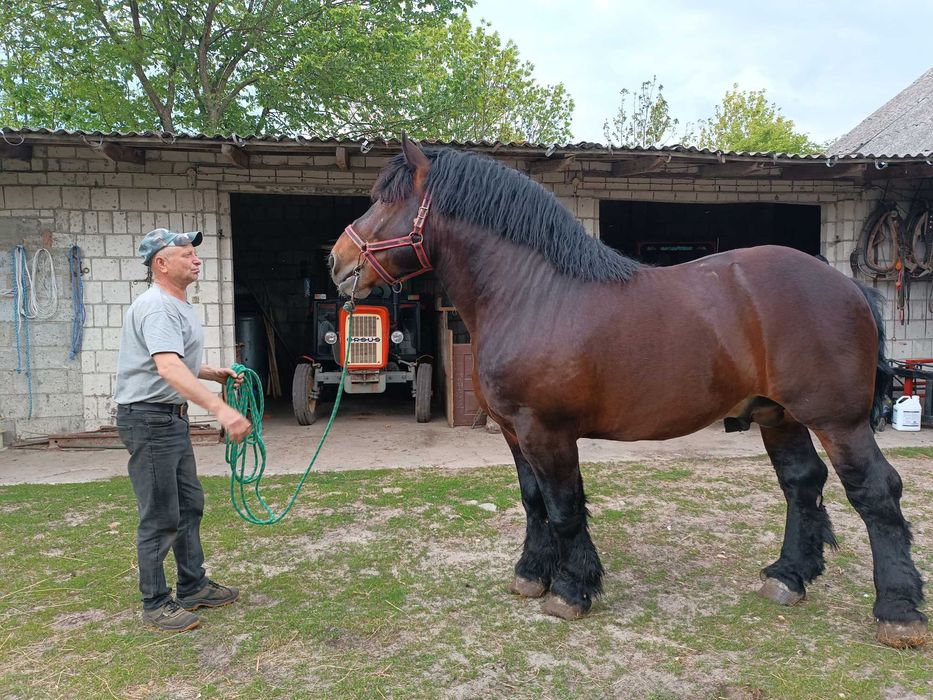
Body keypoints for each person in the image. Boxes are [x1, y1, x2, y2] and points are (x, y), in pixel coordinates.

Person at [113, 228, 252, 633]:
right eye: (186, 254)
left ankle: (193, 586)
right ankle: (156, 603)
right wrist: (220, 409)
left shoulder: (176, 305)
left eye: (195, 253)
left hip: (168, 419)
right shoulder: (157, 306)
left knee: (189, 505)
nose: (196, 259)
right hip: (149, 419)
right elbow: (168, 368)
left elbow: (172, 360)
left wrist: (212, 372)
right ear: (161, 263)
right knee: (160, 515)